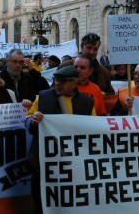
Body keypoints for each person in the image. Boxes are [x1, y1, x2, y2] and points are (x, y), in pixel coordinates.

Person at [25, 66, 95, 214]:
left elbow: (93, 130)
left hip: (71, 166)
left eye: (63, 81)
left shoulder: (87, 102)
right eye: (56, 80)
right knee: (41, 203)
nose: (58, 84)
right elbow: (27, 122)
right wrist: (33, 120)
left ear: (75, 83)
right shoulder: (43, 96)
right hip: (43, 164)